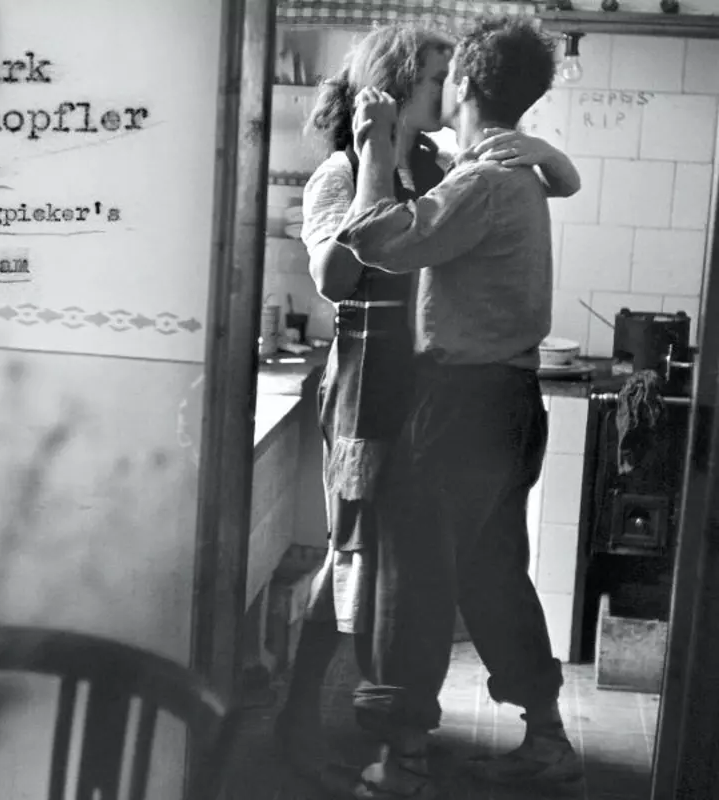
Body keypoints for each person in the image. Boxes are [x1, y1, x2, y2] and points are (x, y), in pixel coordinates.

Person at [275, 21, 581, 795]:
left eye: (452, 75)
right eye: (433, 75)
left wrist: (540, 152)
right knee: (361, 559)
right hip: (374, 389)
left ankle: (401, 754)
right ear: (398, 84)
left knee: (412, 578)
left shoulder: (457, 169)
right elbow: (337, 274)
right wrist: (373, 152)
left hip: (443, 399)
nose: (445, 89)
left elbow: (405, 233)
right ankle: (304, 718)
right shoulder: (351, 171)